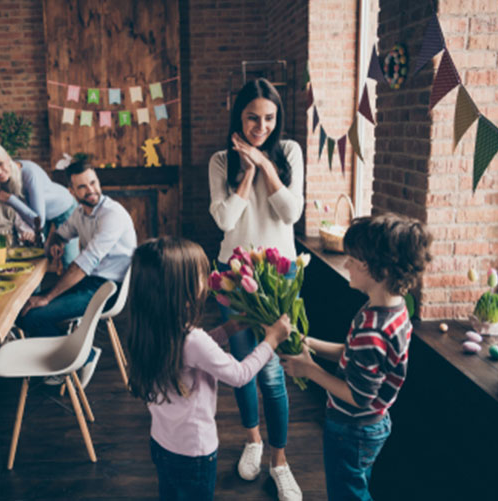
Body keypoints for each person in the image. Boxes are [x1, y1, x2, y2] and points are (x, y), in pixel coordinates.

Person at [280, 213, 432, 501]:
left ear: (380, 270)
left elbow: (358, 395)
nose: (347, 264)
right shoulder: (392, 311)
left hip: (352, 429)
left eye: (354, 260)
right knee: (356, 485)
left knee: (347, 494)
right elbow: (352, 354)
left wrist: (309, 369)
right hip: (373, 423)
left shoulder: (373, 328)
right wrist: (311, 344)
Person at [126, 236, 292, 501]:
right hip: (195, 454)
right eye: (200, 275)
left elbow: (185, 356)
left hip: (161, 444)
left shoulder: (150, 330)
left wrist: (226, 330)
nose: (206, 281)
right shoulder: (193, 340)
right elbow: (240, 375)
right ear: (180, 288)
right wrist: (271, 340)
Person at [208, 77, 304, 497]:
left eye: (268, 118)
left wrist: (266, 164)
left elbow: (290, 212)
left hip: (278, 273)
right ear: (238, 116)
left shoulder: (290, 153)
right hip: (233, 273)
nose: (260, 126)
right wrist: (245, 171)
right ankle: (252, 441)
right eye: (252, 118)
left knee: (272, 374)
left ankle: (280, 461)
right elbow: (225, 221)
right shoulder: (219, 161)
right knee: (242, 366)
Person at [17, 159, 136, 387]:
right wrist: (56, 242)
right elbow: (59, 233)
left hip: (108, 289)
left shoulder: (112, 214)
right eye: (82, 187)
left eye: (93, 182)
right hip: (89, 281)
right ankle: (80, 354)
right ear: (71, 192)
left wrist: (47, 298)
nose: (91, 190)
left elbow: (83, 264)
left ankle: (81, 357)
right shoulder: (80, 213)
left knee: (33, 314)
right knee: (25, 310)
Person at [0, 143, 79, 266]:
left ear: (7, 158)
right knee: (35, 256)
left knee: (69, 259)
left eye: (0, 164)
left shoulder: (29, 173)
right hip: (38, 215)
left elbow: (39, 221)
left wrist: (10, 199)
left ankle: (74, 285)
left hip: (64, 208)